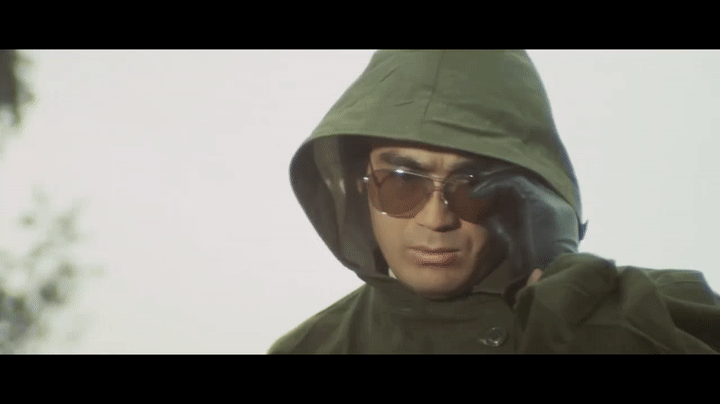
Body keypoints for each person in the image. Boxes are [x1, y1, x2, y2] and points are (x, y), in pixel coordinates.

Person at [268, 50, 720, 353]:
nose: (436, 218)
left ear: (526, 194)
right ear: (361, 186)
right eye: (403, 182)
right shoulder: (312, 348)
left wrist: (565, 289)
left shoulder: (664, 312)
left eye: (472, 185)